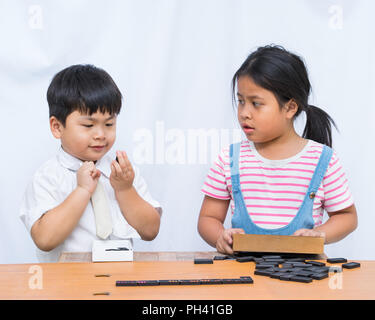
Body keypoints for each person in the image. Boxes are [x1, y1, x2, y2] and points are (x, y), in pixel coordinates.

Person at [198, 45, 357, 255]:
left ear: (290, 108)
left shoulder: (323, 160)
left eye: (256, 103)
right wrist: (220, 236)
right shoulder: (229, 159)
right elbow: (208, 219)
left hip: (304, 276)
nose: (244, 113)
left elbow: (347, 217)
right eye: (241, 101)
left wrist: (320, 234)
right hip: (243, 276)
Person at [20, 64, 162, 262]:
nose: (100, 135)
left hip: (120, 283)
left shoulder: (122, 173)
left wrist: (125, 190)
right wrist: (82, 191)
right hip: (66, 287)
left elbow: (151, 230)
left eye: (109, 124)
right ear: (57, 127)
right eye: (88, 125)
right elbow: (45, 239)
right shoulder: (48, 177)